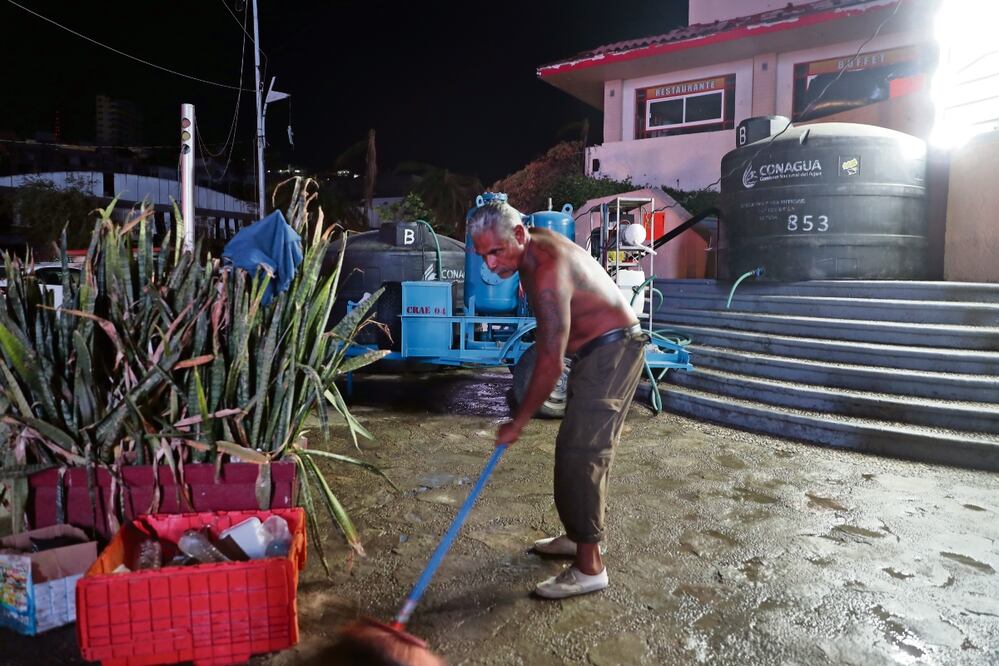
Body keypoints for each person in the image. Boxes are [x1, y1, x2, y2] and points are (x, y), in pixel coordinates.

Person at [467, 200, 647, 599]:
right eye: (482, 256)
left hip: (613, 354)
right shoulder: (532, 247)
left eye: (496, 252)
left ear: (517, 235)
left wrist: (517, 422)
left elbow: (548, 362)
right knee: (571, 449)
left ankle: (590, 567)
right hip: (595, 353)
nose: (490, 265)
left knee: (584, 453)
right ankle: (576, 536)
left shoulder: (546, 270)